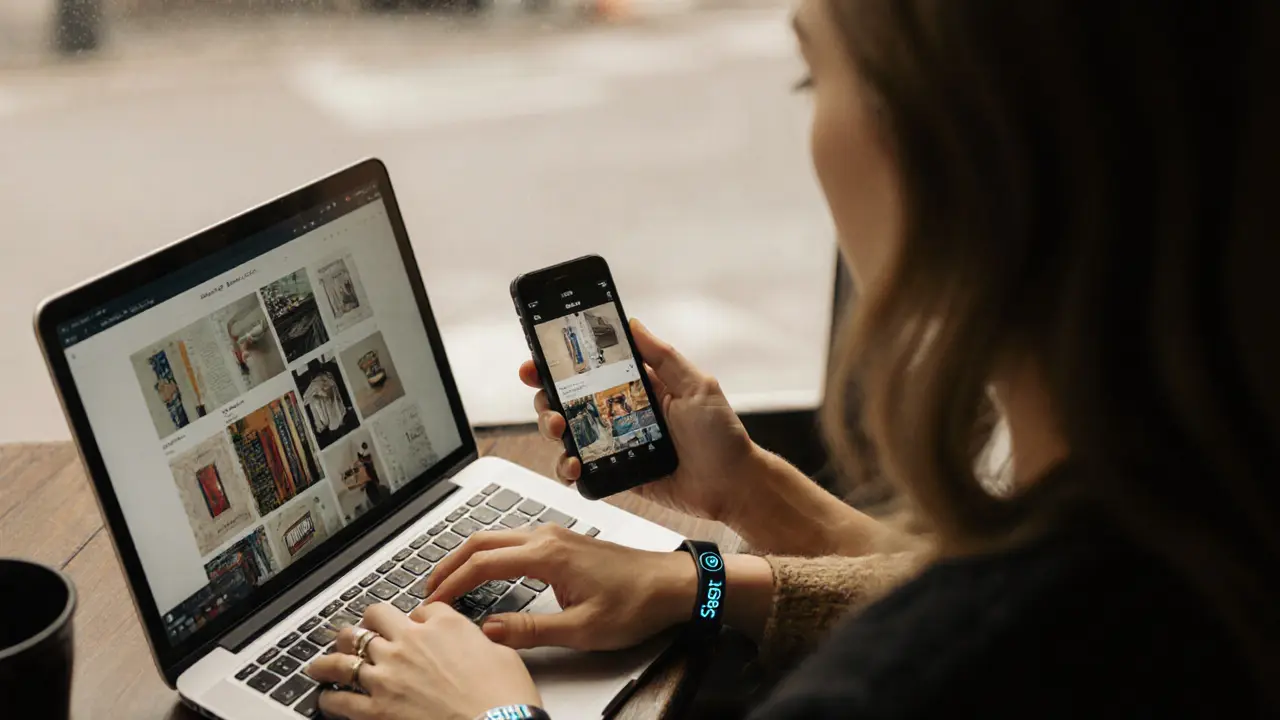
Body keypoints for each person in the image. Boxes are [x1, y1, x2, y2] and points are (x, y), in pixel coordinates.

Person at [304, 1, 1279, 718]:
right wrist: (731, 540)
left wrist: (493, 717)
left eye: (813, 75)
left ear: (961, 145)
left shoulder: (916, 683)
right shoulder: (1202, 501)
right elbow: (961, 588)